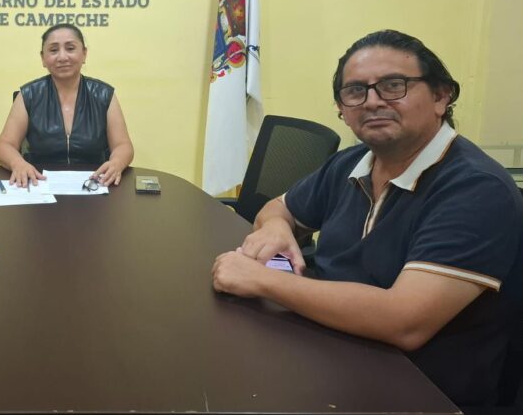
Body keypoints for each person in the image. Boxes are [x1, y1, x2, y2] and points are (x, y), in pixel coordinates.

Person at [211, 30, 523, 407]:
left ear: (441, 97)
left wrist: (262, 280)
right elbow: (278, 207)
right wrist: (277, 227)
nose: (372, 101)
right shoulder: (354, 161)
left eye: (393, 85)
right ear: (342, 110)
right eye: (356, 91)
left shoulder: (476, 189)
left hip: (421, 391)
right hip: (332, 350)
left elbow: (404, 321)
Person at [0, 23, 134, 187]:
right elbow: (4, 145)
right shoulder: (28, 95)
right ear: (43, 58)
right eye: (53, 50)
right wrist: (18, 163)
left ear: (84, 54)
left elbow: (123, 145)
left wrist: (117, 163)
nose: (62, 57)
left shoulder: (104, 95)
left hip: (94, 186)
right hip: (40, 185)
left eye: (70, 48)